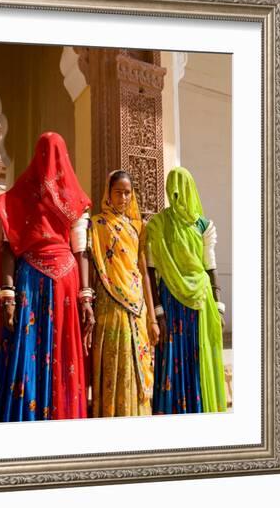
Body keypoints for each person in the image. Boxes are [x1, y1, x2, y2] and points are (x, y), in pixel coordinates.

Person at [0, 131, 94, 422]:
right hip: (46, 283)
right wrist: (7, 295)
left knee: (45, 353)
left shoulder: (57, 198)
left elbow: (80, 248)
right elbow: (79, 250)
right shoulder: (34, 196)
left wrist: (86, 297)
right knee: (32, 352)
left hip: (44, 283)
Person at [146, 167, 227, 414]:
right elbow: (150, 269)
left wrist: (219, 305)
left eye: (181, 189)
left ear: (190, 189)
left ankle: (198, 410)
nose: (177, 194)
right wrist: (158, 311)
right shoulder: (158, 224)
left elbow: (210, 266)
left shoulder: (204, 225)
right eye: (173, 189)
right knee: (173, 354)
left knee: (197, 355)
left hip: (201, 302)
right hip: (170, 300)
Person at [87, 170, 159, 417]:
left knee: (137, 358)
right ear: (108, 193)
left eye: (128, 193)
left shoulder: (138, 227)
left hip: (137, 303)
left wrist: (152, 317)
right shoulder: (97, 225)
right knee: (115, 358)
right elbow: (94, 265)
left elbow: (144, 271)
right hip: (110, 301)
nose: (124, 197)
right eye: (118, 192)